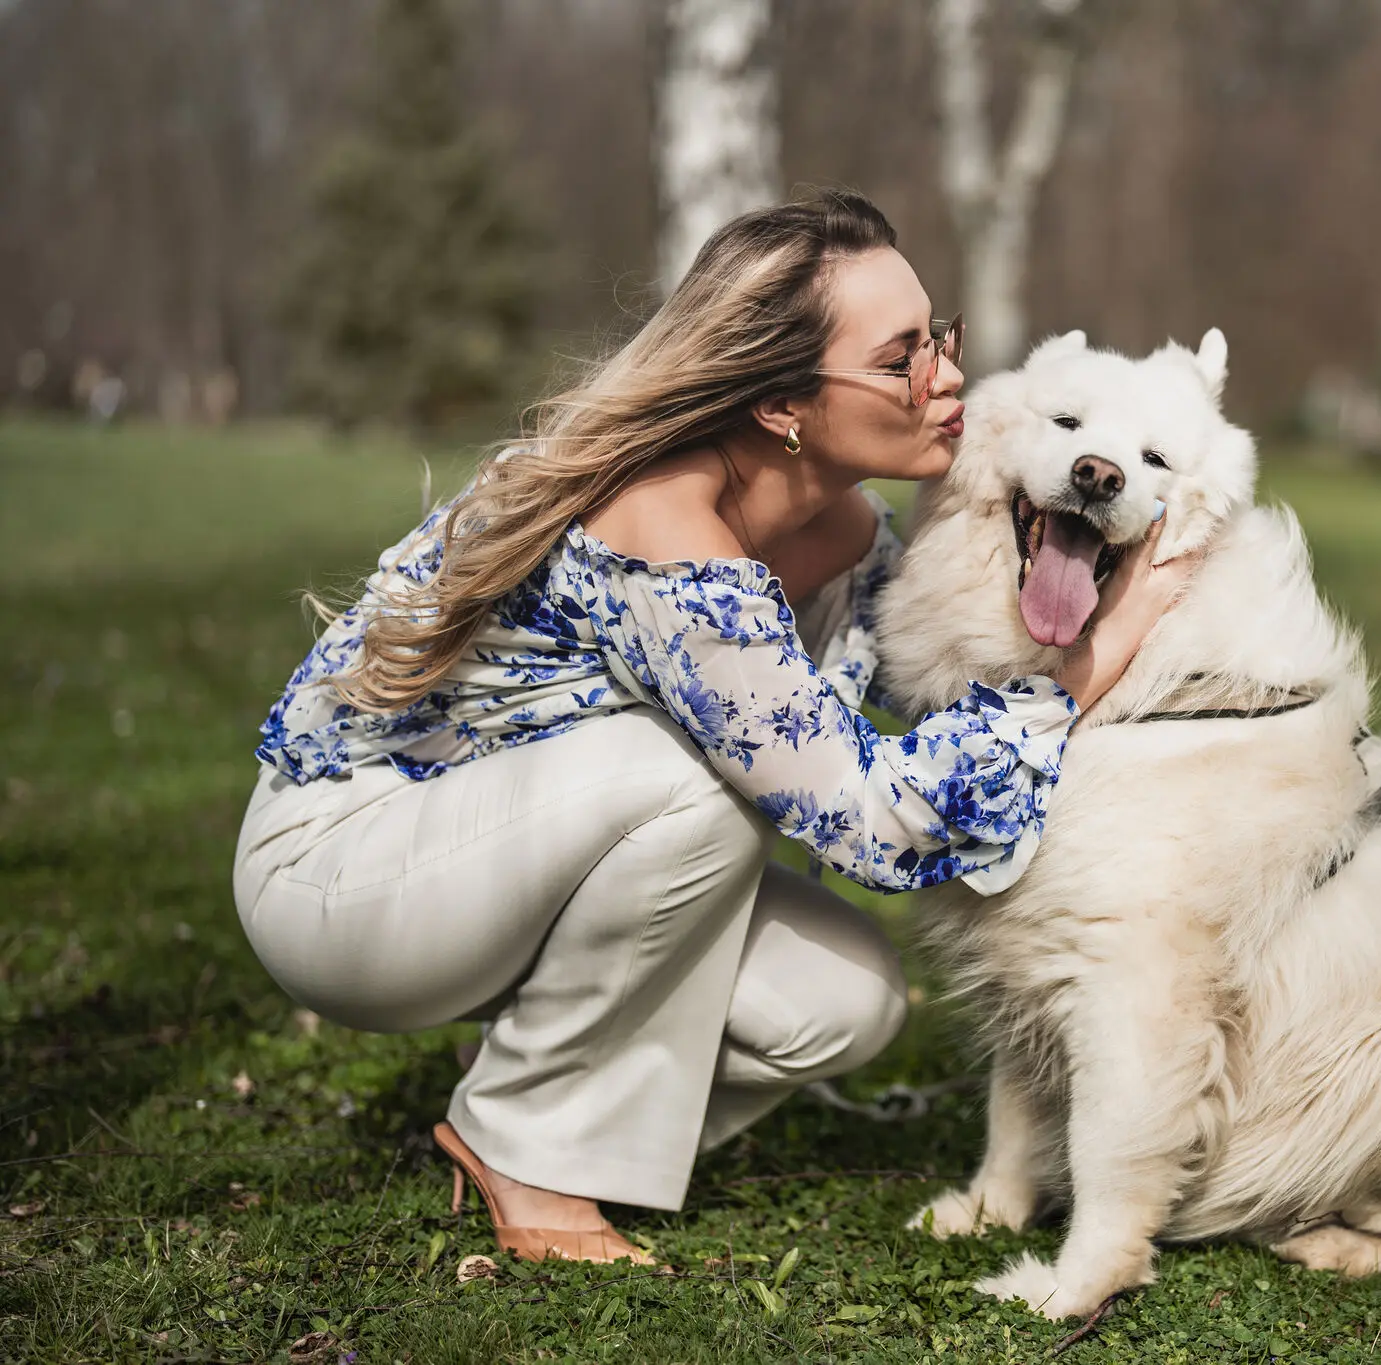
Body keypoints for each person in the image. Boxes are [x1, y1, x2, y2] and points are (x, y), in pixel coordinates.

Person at [230, 190, 1193, 1265]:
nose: (946, 378)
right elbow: (868, 818)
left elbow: (930, 689)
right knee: (695, 787)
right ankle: (527, 1150)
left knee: (844, 1002)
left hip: (516, 859)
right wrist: (1091, 663)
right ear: (782, 403)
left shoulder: (843, 523)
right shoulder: (663, 529)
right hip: (345, 880)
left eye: (939, 337)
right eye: (900, 359)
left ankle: (540, 1095)